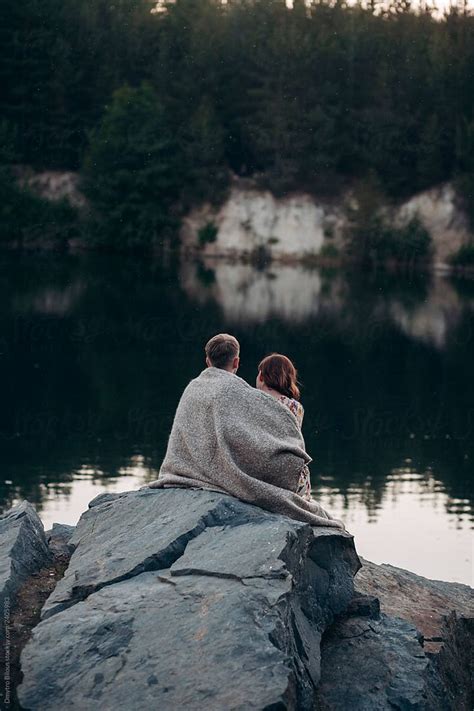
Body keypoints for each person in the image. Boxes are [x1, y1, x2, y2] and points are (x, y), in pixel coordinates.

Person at [145, 333, 344, 529]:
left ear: (207, 360)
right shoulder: (242, 392)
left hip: (189, 466)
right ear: (237, 362)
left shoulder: (193, 388)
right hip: (260, 469)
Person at [256, 354, 311, 502]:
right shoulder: (296, 407)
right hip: (296, 480)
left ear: (261, 376)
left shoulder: (255, 403)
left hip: (264, 477)